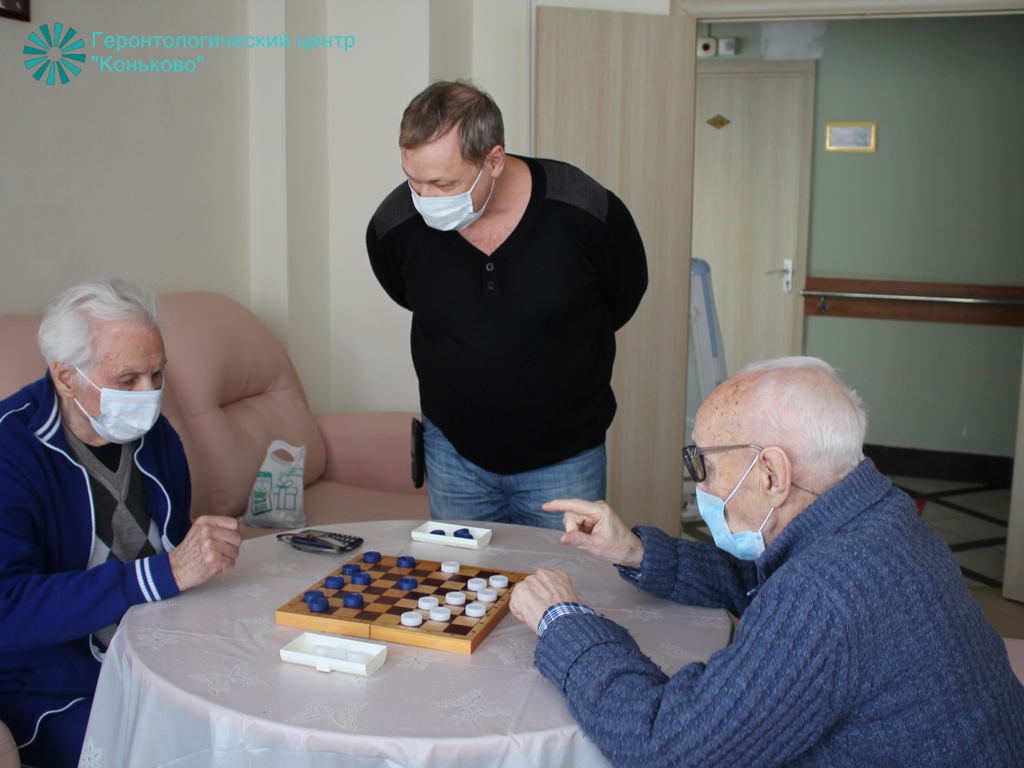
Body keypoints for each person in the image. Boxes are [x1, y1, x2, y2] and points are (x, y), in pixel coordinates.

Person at [509, 356, 1024, 767]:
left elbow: (664, 745)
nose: (699, 483)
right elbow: (762, 584)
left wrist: (563, 622)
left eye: (703, 464)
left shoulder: (824, 592)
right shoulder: (880, 516)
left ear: (772, 475)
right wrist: (634, 551)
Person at [366, 80, 648, 529]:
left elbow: (624, 293)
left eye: (442, 183)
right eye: (413, 179)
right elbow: (406, 294)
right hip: (452, 457)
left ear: (493, 160)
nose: (424, 199)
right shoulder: (396, 225)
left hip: (565, 460)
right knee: (461, 576)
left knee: (563, 574)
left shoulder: (582, 209)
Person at [0, 278, 243, 768]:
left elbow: (171, 543)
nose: (149, 395)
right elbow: (8, 609)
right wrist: (160, 575)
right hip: (53, 680)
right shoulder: (12, 451)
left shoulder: (155, 435)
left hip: (159, 649)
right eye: (128, 380)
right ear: (66, 378)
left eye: (157, 374)